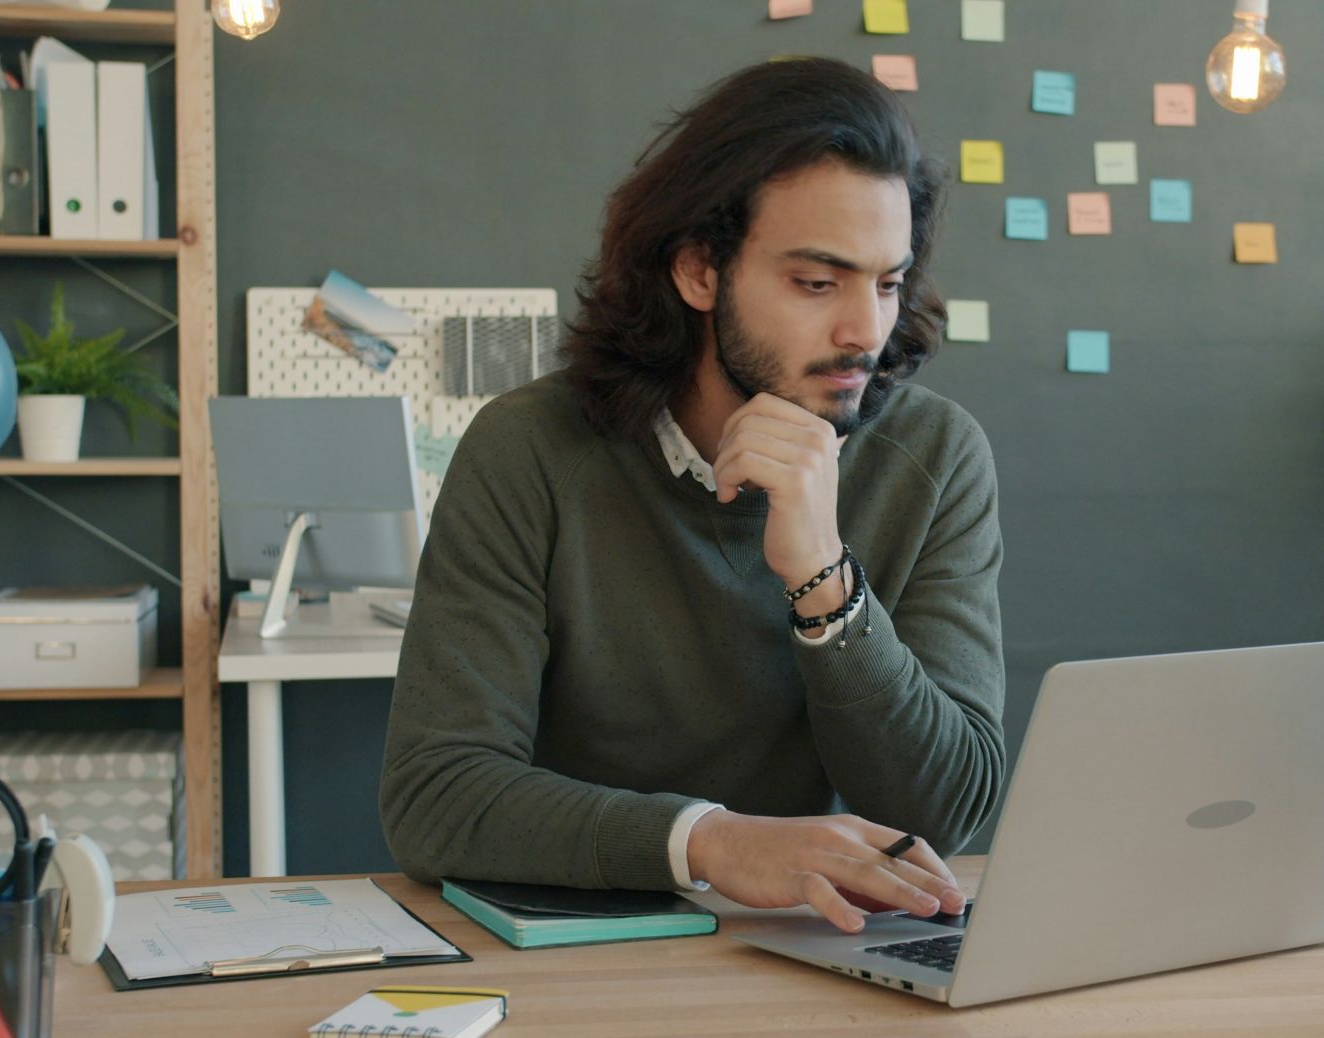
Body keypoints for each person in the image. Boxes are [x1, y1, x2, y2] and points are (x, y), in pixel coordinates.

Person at [379, 57, 1003, 934]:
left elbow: (946, 812)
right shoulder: (529, 450)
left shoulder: (935, 457)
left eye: (888, 282)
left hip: (826, 957)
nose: (865, 329)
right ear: (699, 271)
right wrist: (709, 842)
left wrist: (827, 583)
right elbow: (436, 794)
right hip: (582, 960)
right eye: (817, 283)